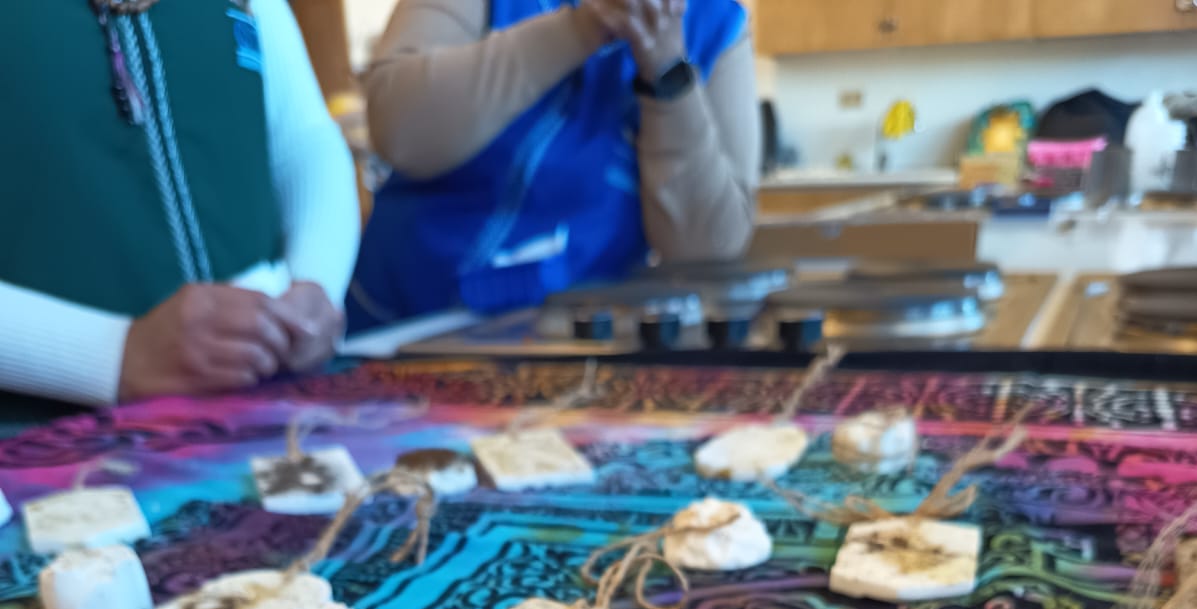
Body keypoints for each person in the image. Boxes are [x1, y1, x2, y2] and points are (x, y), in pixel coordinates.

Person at [0, 0, 360, 408]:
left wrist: (315, 286)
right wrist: (114, 353)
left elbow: (303, 140)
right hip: (45, 426)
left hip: (270, 400)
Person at [348, 0, 759, 329]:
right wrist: (582, 27)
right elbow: (401, 130)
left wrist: (666, 69)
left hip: (579, 335)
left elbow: (708, 249)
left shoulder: (717, 24)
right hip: (406, 326)